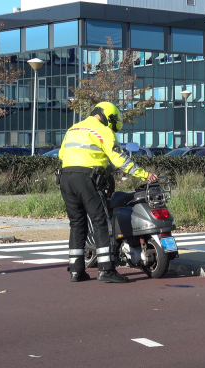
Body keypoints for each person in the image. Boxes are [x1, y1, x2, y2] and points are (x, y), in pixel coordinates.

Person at [59, 102, 158, 284]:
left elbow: (61, 155)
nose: (112, 127)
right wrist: (143, 174)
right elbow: (119, 159)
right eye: (113, 123)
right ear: (108, 117)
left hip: (65, 178)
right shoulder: (103, 131)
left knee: (77, 224)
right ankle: (106, 270)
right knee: (99, 221)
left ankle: (76, 270)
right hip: (86, 178)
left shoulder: (73, 129)